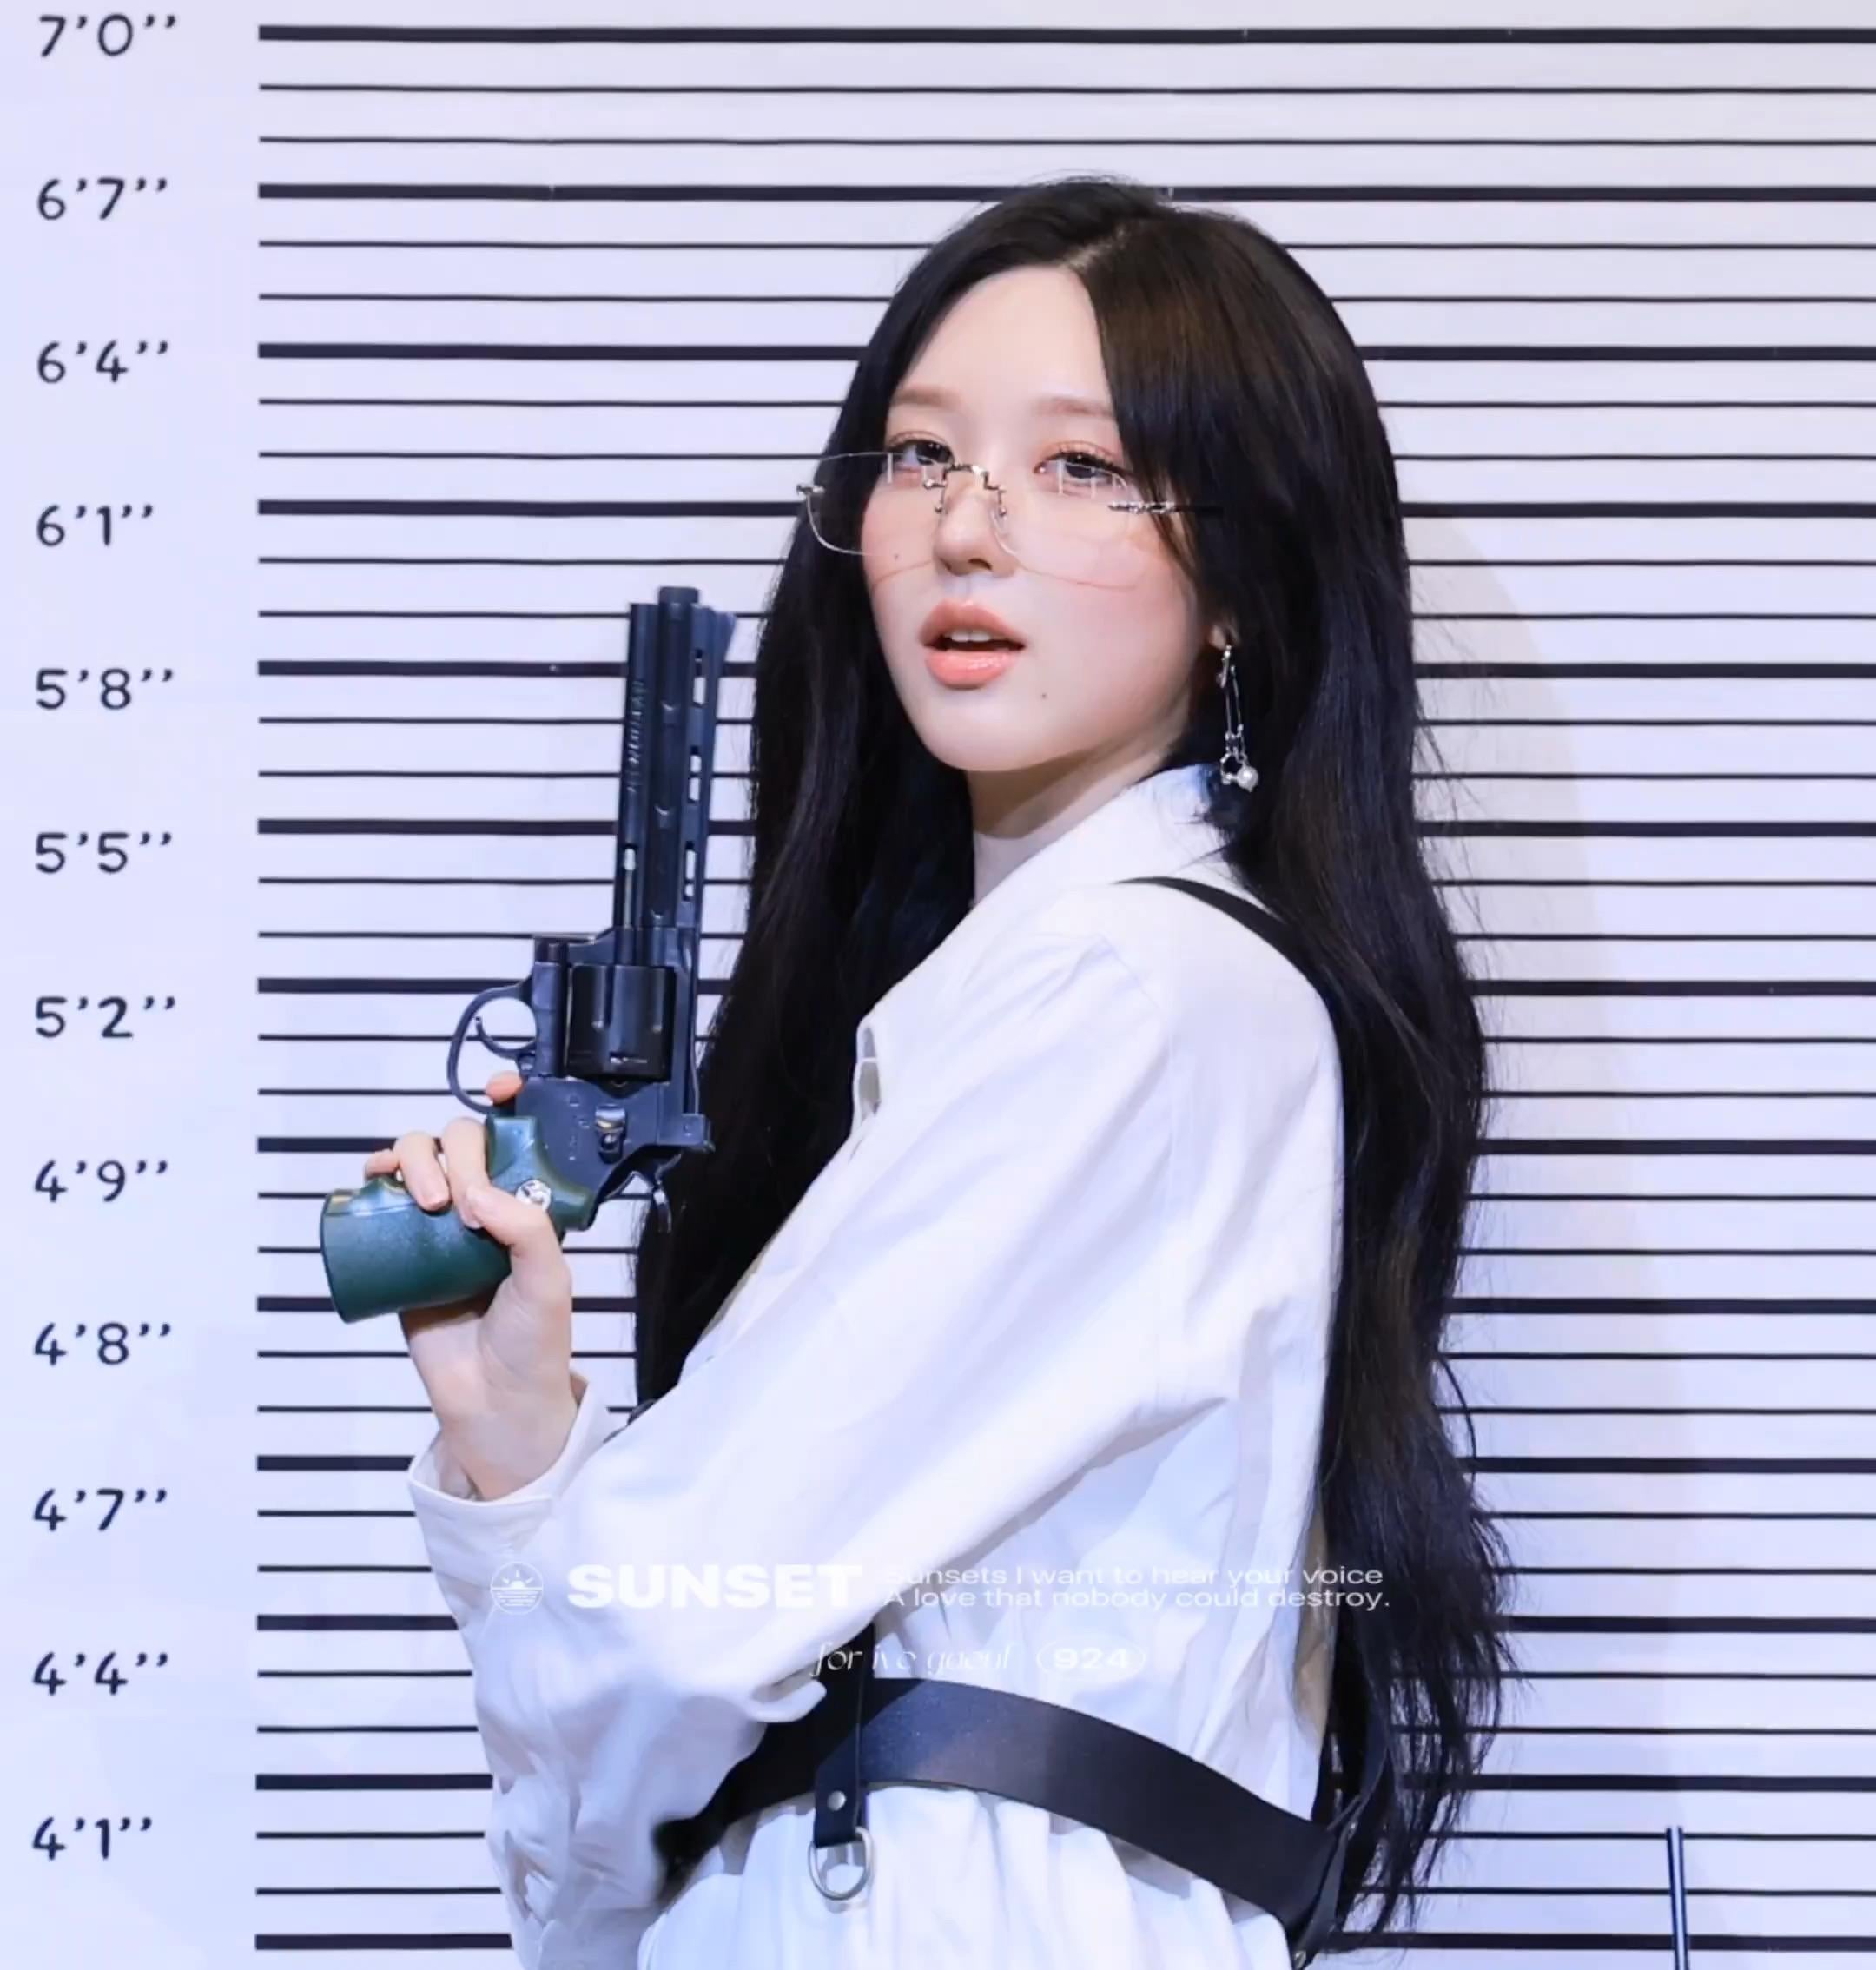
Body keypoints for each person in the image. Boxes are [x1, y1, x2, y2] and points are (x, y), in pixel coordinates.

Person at [367, 175, 1516, 1969]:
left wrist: (582, 1862)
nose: (968, 528)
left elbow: (669, 1625)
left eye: (1082, 467)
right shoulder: (1079, 995)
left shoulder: (1132, 988)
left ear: (1243, 581)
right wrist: (518, 1434)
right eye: (921, 455)